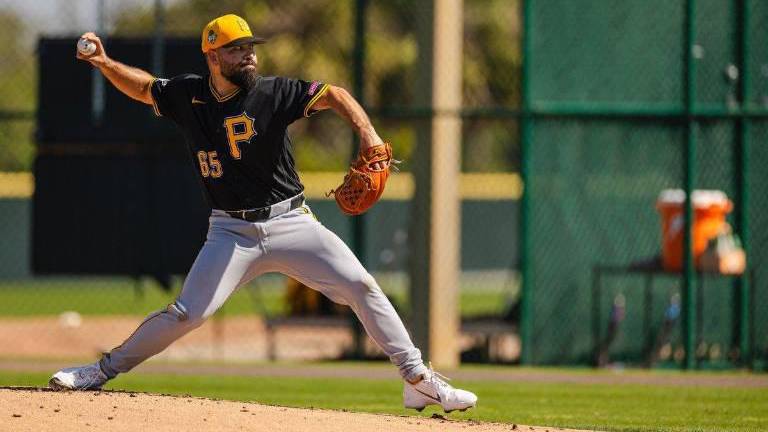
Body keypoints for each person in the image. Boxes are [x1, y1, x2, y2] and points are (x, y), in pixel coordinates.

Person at [49, 14, 477, 413]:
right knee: (187, 313)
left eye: (250, 47)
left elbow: (335, 94)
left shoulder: (273, 92)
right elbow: (145, 88)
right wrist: (104, 63)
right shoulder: (188, 95)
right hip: (230, 231)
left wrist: (368, 133)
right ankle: (101, 371)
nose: (249, 54)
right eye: (237, 49)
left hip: (290, 222)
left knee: (361, 285)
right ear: (213, 56)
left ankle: (417, 378)